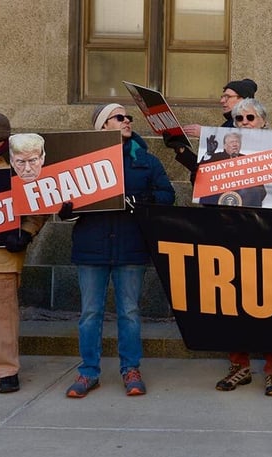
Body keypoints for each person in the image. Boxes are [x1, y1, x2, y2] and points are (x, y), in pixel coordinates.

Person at [62, 103, 176, 398]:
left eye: (128, 117)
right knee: (90, 313)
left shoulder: (146, 161)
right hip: (91, 247)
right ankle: (88, 372)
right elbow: (62, 202)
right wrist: (65, 210)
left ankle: (131, 370)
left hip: (131, 246)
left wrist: (139, 198)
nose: (127, 120)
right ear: (103, 127)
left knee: (129, 311)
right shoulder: (80, 162)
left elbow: (168, 195)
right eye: (119, 117)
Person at [214, 97, 272, 397]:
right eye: (240, 119)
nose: (246, 123)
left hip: (269, 236)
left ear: (264, 121)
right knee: (233, 303)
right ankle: (239, 365)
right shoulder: (221, 156)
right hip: (232, 237)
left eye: (251, 118)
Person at [0, 112, 48, 394]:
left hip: (2, 256)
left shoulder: (20, 163)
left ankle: (6, 371)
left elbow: (40, 203)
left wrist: (27, 232)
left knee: (2, 316)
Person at [164, 78, 257, 175]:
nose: (222, 101)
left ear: (243, 100)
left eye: (227, 97)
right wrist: (181, 150)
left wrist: (206, 133)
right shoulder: (227, 125)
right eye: (222, 96)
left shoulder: (252, 125)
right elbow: (205, 171)